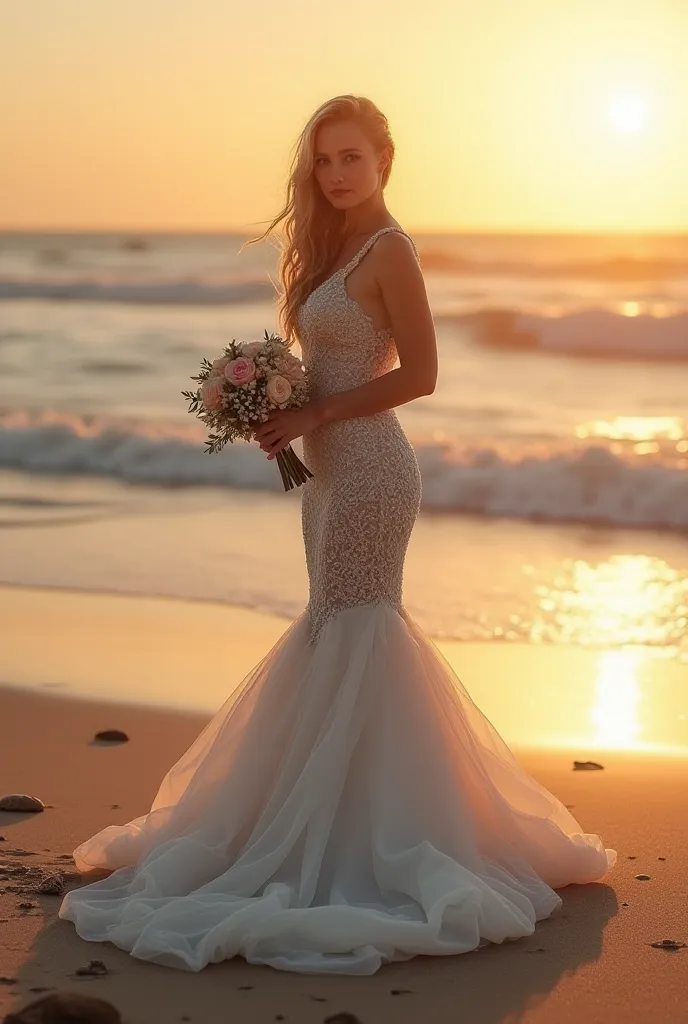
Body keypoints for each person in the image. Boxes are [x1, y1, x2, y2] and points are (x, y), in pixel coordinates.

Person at [58, 94, 616, 976]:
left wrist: (316, 406)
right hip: (325, 471)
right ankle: (333, 814)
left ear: (385, 159)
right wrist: (272, 402)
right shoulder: (334, 248)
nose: (337, 172)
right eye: (325, 160)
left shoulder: (392, 251)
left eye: (351, 157)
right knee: (334, 627)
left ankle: (375, 837)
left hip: (374, 473)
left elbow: (423, 373)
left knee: (360, 628)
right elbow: (325, 367)